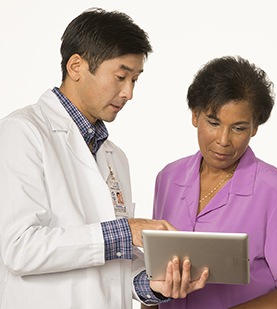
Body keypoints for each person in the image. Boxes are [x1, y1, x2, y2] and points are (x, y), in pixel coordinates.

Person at [0, 8, 209, 309]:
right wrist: (127, 231)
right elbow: (20, 249)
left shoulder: (114, 157)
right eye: (121, 76)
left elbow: (113, 269)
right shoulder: (21, 133)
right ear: (76, 66)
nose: (129, 93)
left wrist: (153, 285)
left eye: (135, 80)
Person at [150, 56, 277, 308]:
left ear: (254, 128)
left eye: (239, 128)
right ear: (195, 115)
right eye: (213, 122)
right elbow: (155, 272)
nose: (223, 140)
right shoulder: (168, 178)